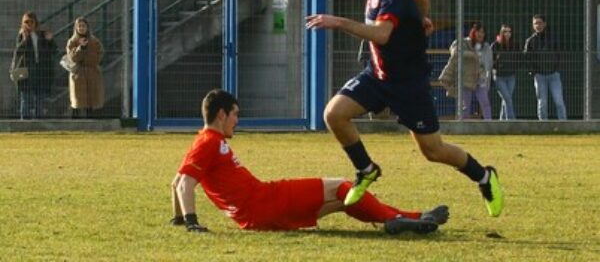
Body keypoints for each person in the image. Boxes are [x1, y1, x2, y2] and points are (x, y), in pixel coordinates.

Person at [304, 0, 503, 218]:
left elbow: (382, 35)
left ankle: (484, 177)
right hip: (378, 76)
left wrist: (338, 22)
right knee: (334, 114)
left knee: (433, 150)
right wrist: (421, 17)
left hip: (409, 85)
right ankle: (366, 169)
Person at [171, 89, 450, 234]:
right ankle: (401, 218)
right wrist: (192, 222)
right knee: (343, 186)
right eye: (234, 114)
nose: (237, 120)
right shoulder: (208, 142)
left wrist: (178, 219)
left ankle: (412, 218)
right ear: (221, 115)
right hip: (266, 201)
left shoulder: (205, 141)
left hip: (258, 211)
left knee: (344, 200)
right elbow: (184, 184)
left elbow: (176, 183)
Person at [438, 22, 493, 120]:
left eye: (482, 32)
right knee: (465, 107)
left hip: (480, 79)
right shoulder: (465, 43)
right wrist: (472, 55)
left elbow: (488, 64)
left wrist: (487, 79)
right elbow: (454, 51)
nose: (480, 34)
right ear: (473, 32)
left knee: (485, 104)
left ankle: (489, 124)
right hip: (466, 79)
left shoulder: (486, 47)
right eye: (478, 31)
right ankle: (463, 126)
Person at [11, 11, 57, 119]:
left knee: (40, 97)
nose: (29, 24)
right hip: (27, 70)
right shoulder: (22, 35)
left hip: (41, 70)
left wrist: (50, 40)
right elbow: (18, 51)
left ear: (35, 22)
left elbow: (54, 50)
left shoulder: (42, 34)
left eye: (31, 22)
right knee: (25, 97)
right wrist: (25, 39)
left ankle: (39, 119)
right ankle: (25, 121)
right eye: (26, 22)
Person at [523, 14, 567, 120]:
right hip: (539, 76)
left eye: (540, 23)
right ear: (533, 25)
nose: (538, 25)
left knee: (559, 101)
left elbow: (560, 53)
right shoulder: (530, 41)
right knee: (542, 103)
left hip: (554, 74)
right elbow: (526, 57)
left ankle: (564, 124)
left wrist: (557, 68)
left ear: (545, 24)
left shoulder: (553, 38)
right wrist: (533, 71)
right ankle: (543, 126)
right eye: (535, 23)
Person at [66, 17, 105, 118]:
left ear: (87, 27)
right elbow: (72, 57)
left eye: (83, 26)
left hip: (92, 73)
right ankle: (75, 121)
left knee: (91, 99)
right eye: (79, 26)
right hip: (78, 74)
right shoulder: (72, 41)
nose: (81, 28)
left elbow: (99, 55)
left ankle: (91, 120)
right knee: (77, 100)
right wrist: (81, 48)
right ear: (76, 28)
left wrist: (89, 60)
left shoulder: (94, 41)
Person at [491, 24, 519, 120]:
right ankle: (511, 121)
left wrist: (514, 67)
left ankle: (501, 121)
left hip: (511, 76)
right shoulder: (495, 45)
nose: (507, 34)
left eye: (509, 31)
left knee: (506, 100)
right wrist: (497, 65)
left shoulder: (515, 45)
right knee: (507, 99)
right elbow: (491, 60)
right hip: (499, 77)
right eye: (505, 31)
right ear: (501, 33)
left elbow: (519, 59)